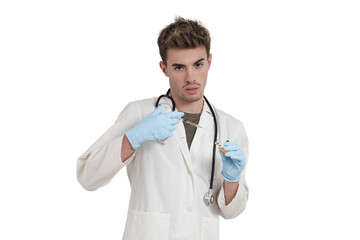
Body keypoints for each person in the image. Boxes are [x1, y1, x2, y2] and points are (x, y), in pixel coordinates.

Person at [77, 16, 249, 240]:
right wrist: (133, 137)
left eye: (198, 65)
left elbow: (232, 211)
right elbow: (88, 176)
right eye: (179, 67)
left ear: (209, 61)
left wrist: (232, 179)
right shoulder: (140, 113)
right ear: (164, 68)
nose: (191, 77)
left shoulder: (230, 127)